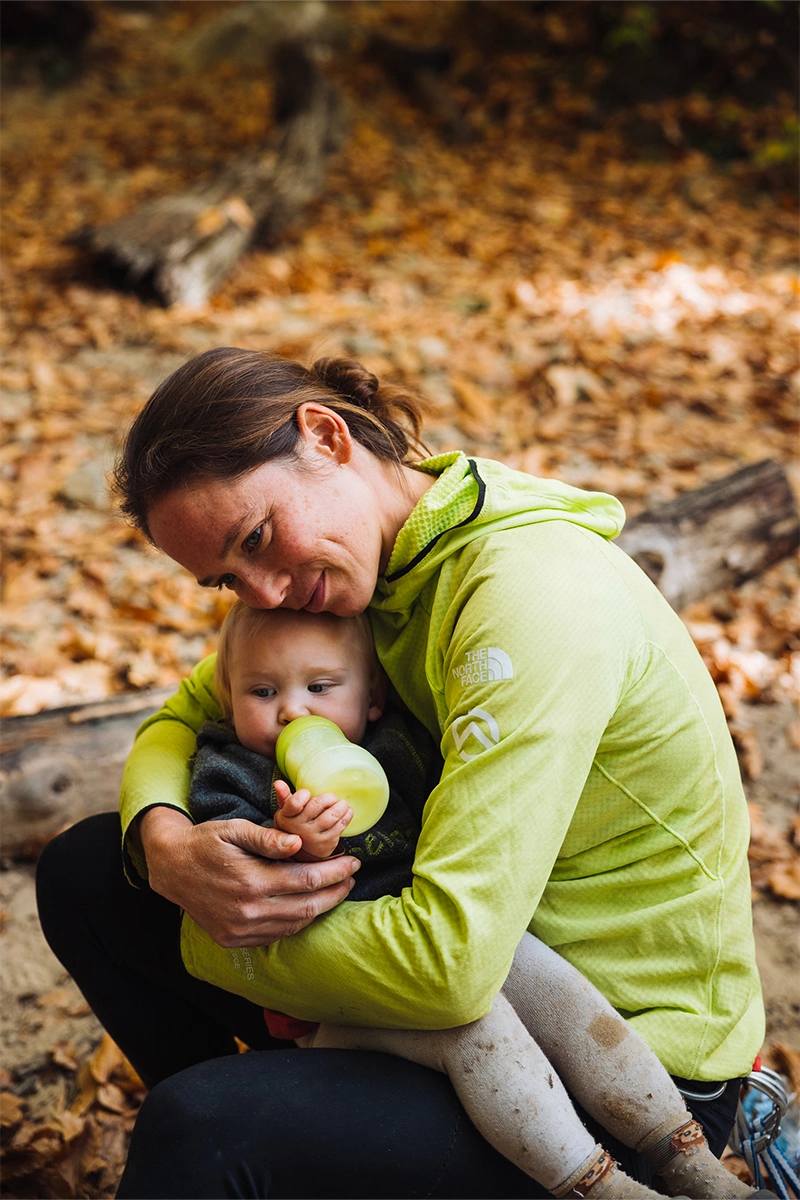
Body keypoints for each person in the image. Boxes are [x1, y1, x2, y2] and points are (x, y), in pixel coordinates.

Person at [36, 349, 767, 1200]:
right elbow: (177, 720)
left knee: (203, 1128)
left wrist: (213, 931)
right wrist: (164, 848)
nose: (264, 593)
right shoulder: (362, 565)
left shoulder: (525, 595)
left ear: (325, 435)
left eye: (259, 539)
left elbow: (449, 967)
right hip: (444, 985)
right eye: (227, 579)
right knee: (90, 869)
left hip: (615, 1054)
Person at [188, 598, 768, 1200]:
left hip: (431, 944)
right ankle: (603, 1190)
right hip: (333, 998)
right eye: (261, 692)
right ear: (228, 701)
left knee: (551, 982)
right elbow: (241, 886)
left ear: (372, 697)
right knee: (473, 1025)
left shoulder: (402, 745)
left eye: (321, 686)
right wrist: (298, 844)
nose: (292, 710)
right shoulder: (233, 774)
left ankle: (688, 1156)